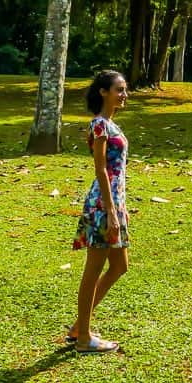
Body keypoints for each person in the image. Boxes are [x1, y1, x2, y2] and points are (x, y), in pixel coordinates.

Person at [68, 70, 131, 354]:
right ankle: (83, 337)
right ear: (103, 92)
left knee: (119, 266)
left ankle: (78, 327)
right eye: (119, 89)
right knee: (93, 271)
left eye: (125, 89)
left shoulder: (111, 125)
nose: (124, 94)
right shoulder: (99, 125)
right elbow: (101, 169)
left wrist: (121, 208)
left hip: (113, 203)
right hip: (102, 206)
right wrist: (111, 211)